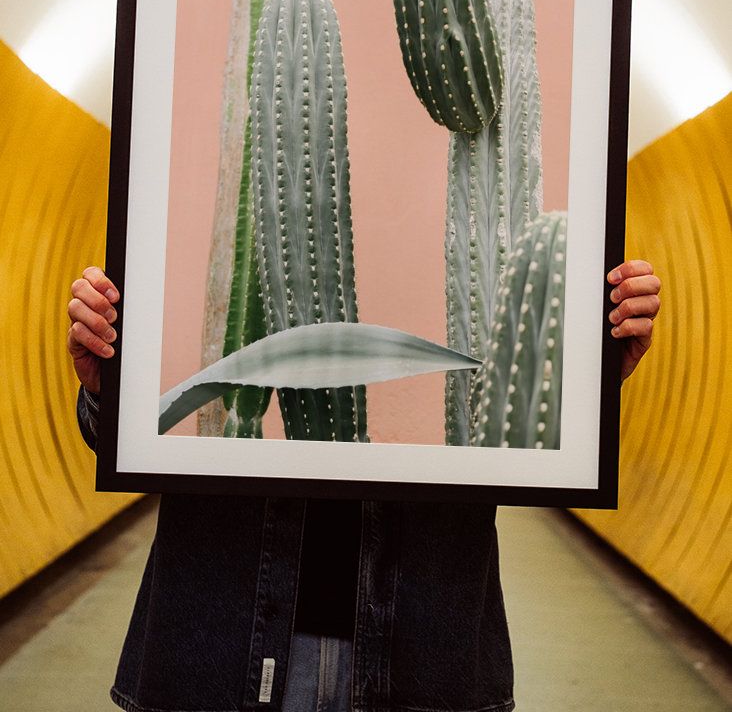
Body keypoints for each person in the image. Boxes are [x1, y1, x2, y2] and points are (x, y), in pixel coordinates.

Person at [68, 260, 660, 712]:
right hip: (220, 641)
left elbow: (518, 435)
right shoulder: (216, 245)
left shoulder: (472, 270)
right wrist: (109, 390)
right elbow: (131, 437)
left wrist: (587, 384)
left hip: (422, 650)